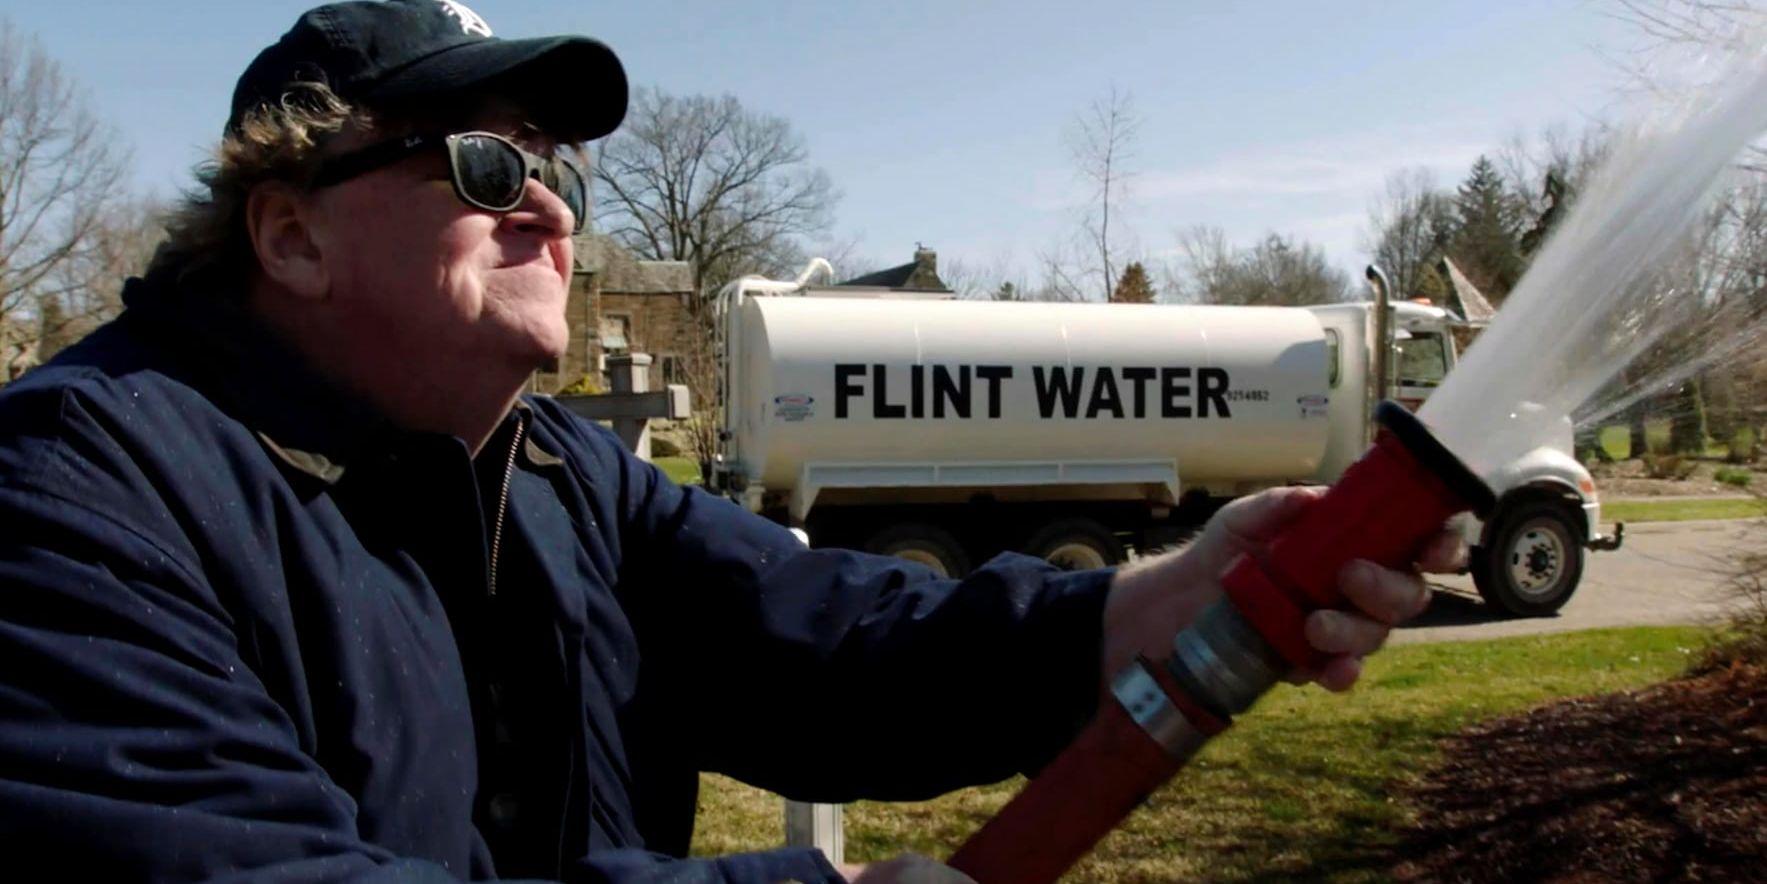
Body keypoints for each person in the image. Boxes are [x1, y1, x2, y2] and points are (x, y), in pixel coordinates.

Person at [0, 2, 1463, 881]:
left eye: (559, 168)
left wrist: (1158, 604)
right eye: (488, 163)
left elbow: (844, 645)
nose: (554, 208)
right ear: (291, 231)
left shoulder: (560, 473)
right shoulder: (77, 495)